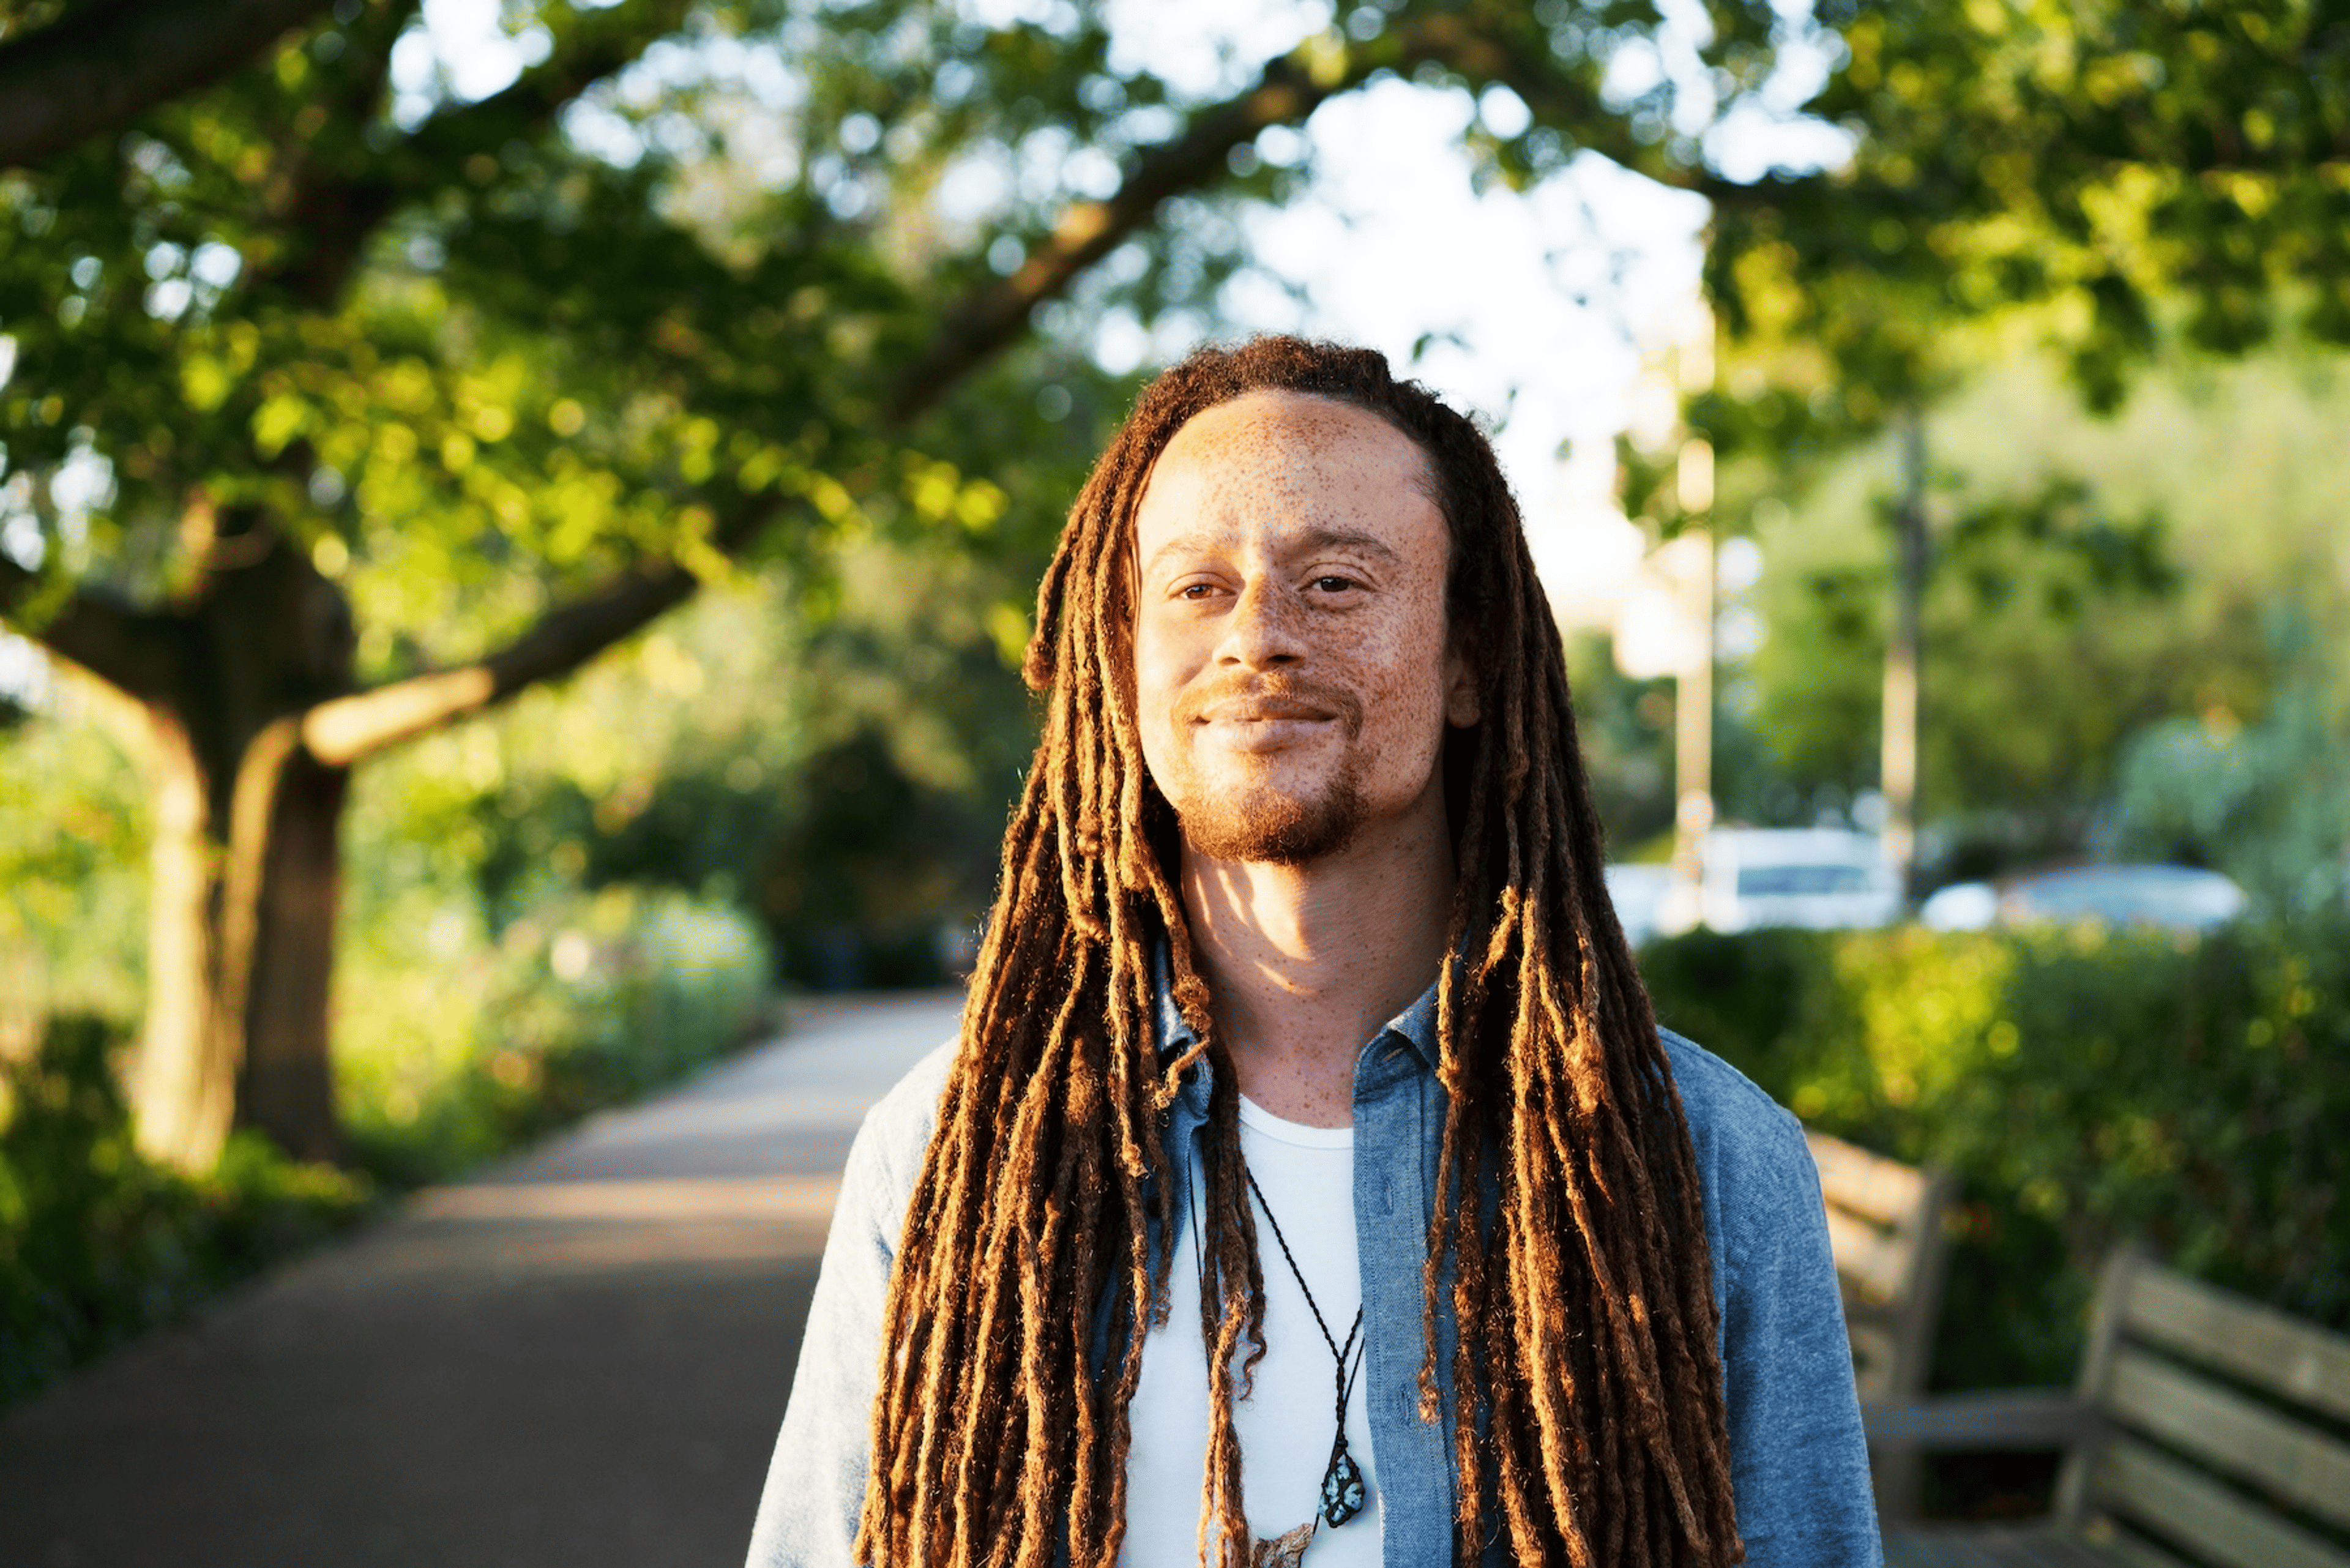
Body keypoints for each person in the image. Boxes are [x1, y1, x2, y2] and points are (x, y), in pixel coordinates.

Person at [746, 337, 1878, 1567]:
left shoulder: (1703, 1162)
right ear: (1121, 664)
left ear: (1465, 660)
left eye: (1337, 583)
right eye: (1194, 589)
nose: (1257, 639)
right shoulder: (948, 1159)